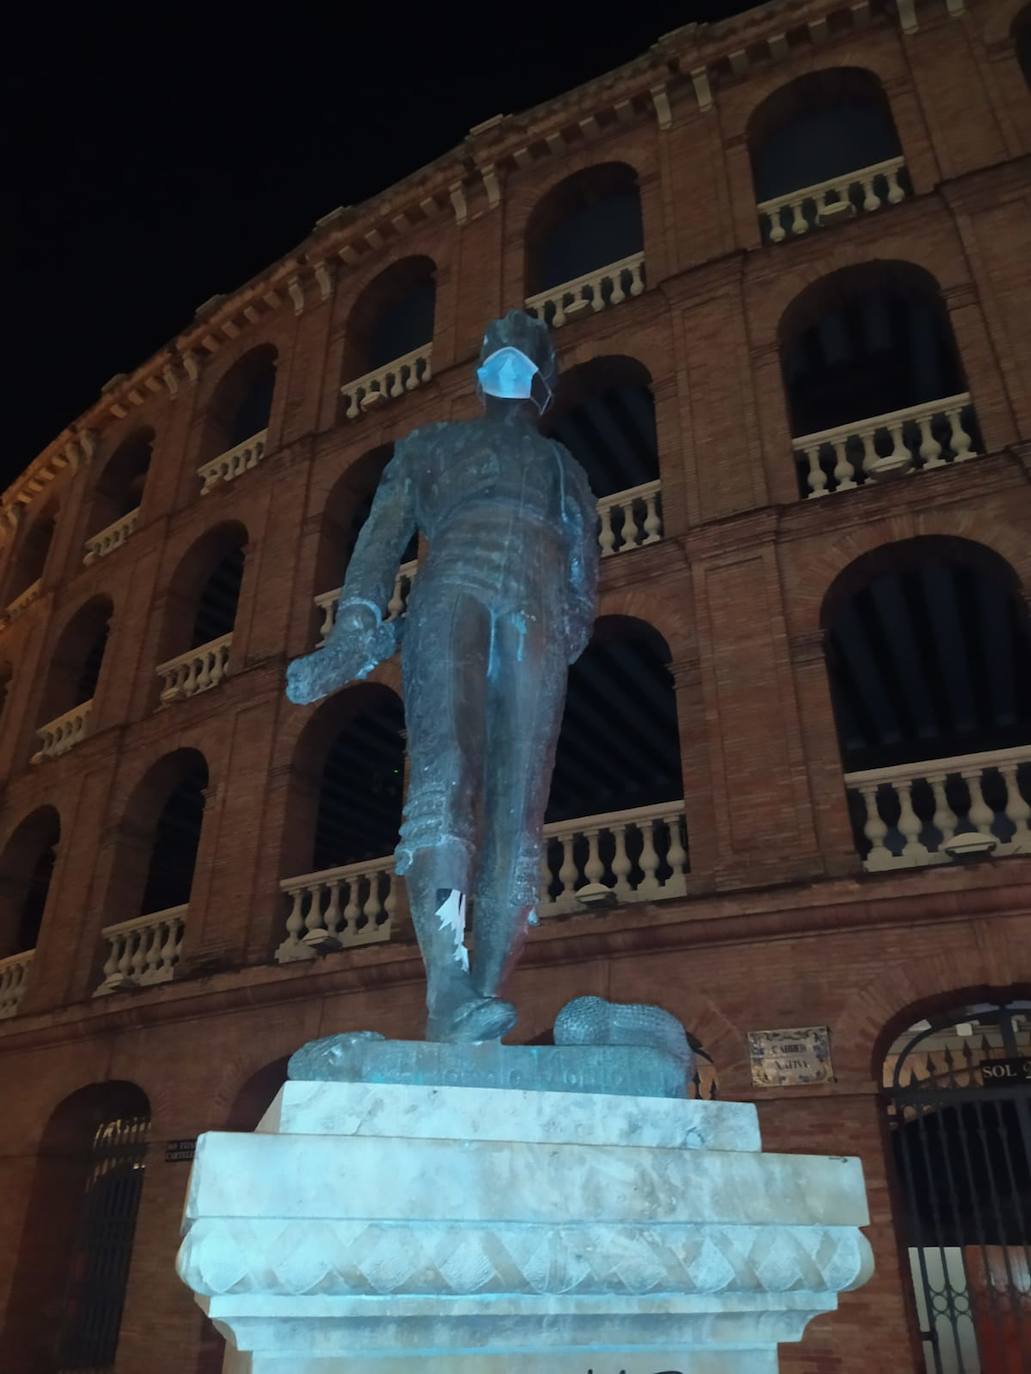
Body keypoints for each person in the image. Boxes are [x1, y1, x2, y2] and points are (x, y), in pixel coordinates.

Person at [286, 310, 598, 1041]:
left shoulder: (565, 469)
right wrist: (358, 620)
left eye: (528, 359)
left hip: (538, 600)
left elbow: (585, 558)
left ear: (545, 382)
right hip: (450, 587)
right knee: (444, 776)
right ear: (481, 372)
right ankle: (447, 987)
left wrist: (570, 619)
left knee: (519, 806)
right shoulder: (428, 445)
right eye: (499, 355)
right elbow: (380, 538)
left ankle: (481, 994)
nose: (512, 368)